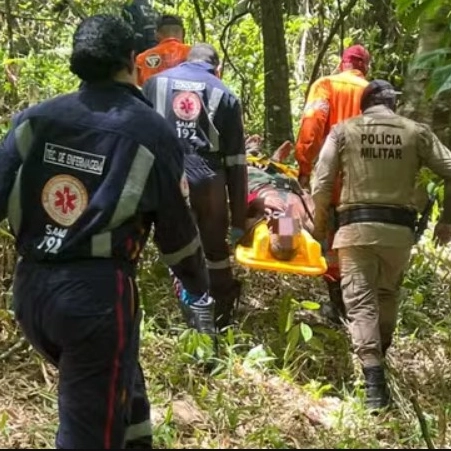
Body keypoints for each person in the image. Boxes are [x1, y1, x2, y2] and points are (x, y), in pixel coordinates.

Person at [1, 14, 212, 449]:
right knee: (88, 428)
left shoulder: (35, 120)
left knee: (121, 383)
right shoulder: (150, 130)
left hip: (30, 293)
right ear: (131, 62)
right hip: (95, 299)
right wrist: (198, 283)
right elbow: (176, 230)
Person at [311, 79, 451, 411]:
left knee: (360, 304)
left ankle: (374, 384)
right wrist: (447, 218)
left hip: (355, 231)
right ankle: (381, 356)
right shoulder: (415, 132)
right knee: (386, 295)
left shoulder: (344, 130)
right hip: (398, 233)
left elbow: (321, 182)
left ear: (364, 104)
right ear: (391, 103)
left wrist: (320, 225)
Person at [142, 43, 248, 330]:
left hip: (164, 174)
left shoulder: (154, 83)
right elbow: (236, 162)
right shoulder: (225, 94)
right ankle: (221, 317)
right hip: (207, 177)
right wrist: (240, 222)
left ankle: (191, 315)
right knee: (214, 249)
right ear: (218, 69)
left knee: (177, 244)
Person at [294, 44, 371, 321]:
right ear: (366, 67)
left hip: (331, 180)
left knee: (329, 241)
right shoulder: (373, 92)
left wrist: (303, 165)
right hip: (365, 183)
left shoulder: (326, 85)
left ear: (343, 64)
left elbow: (312, 126)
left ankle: (338, 307)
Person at [135, 14, 191, 87]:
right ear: (184, 33)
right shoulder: (194, 54)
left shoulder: (142, 59)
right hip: (186, 98)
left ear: (156, 34)